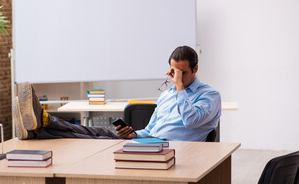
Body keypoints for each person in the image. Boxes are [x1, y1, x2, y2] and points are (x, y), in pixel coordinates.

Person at [12, 46, 221, 141]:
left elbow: (192, 121)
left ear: (195, 69)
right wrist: (133, 134)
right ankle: (37, 128)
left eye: (183, 73)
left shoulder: (210, 96)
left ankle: (40, 123)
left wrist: (180, 89)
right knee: (92, 133)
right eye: (175, 72)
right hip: (147, 142)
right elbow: (150, 129)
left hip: (170, 150)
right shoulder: (166, 96)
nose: (178, 77)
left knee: (90, 139)